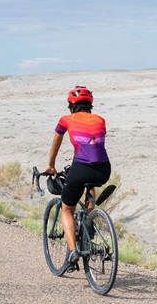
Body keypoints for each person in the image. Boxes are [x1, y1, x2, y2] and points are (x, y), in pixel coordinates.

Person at [41, 86, 111, 268]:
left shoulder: (65, 120)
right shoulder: (100, 120)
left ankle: (73, 251)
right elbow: (93, 145)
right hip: (104, 169)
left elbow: (55, 147)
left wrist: (51, 166)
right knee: (89, 185)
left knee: (67, 209)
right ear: (90, 105)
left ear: (71, 106)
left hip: (81, 168)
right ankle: (89, 220)